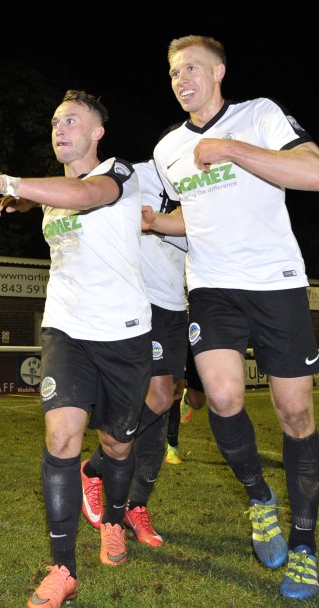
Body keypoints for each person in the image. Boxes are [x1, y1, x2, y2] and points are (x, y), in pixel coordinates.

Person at [144, 35, 319, 600]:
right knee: (222, 398)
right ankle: (259, 500)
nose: (182, 79)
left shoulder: (260, 116)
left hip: (276, 284)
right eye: (175, 72)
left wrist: (230, 148)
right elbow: (195, 220)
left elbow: (317, 174)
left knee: (294, 413)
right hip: (212, 289)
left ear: (220, 71)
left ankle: (304, 545)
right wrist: (157, 223)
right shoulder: (166, 149)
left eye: (192, 67)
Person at [0, 89, 151, 608]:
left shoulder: (120, 173)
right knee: (61, 434)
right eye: (54, 122)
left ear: (97, 132)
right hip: (66, 328)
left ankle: (113, 518)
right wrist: (23, 200)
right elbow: (63, 196)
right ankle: (63, 568)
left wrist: (8, 184)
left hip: (125, 335)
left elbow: (89, 196)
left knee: (115, 444)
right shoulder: (53, 191)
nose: (60, 129)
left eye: (72, 121)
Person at [78, 159, 187, 547]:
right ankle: (95, 467)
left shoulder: (199, 187)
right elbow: (87, 187)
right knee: (157, 397)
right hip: (146, 302)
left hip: (181, 307)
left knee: (164, 407)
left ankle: (135, 506)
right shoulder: (140, 173)